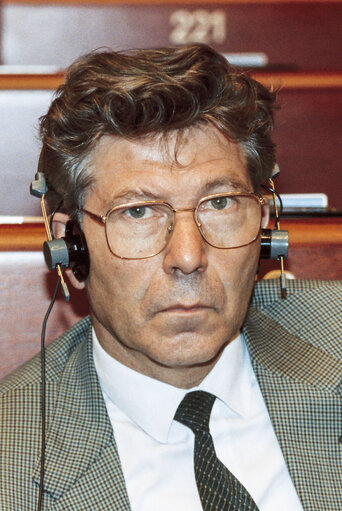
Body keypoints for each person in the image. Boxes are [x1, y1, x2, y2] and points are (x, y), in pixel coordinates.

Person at [1, 44, 341, 511]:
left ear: (265, 227)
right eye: (138, 212)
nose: (187, 256)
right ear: (72, 248)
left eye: (220, 203)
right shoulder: (11, 462)